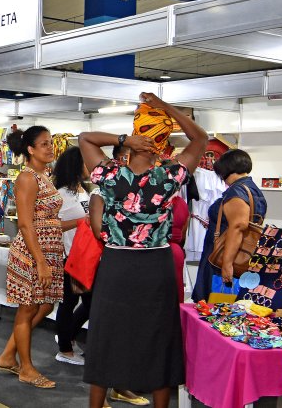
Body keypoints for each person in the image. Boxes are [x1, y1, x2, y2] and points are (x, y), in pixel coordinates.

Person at [79, 93, 208, 408]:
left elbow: (85, 137)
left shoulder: (110, 177)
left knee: (107, 335)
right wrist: (166, 107)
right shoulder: (169, 177)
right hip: (156, 268)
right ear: (162, 145)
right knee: (158, 337)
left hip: (116, 266)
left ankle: (96, 405)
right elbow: (200, 138)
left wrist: (124, 139)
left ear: (136, 140)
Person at [0, 126, 64, 389]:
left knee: (41, 305)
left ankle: (7, 356)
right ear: (31, 150)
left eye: (51, 143)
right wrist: (42, 262)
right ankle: (25, 368)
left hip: (47, 250)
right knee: (27, 309)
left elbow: (46, 220)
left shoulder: (44, 176)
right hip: (33, 254)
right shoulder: (27, 178)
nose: (50, 148)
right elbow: (25, 224)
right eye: (44, 144)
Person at [192, 149, 267, 300]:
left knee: (216, 305)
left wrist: (227, 264)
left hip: (223, 258)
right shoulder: (253, 190)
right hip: (243, 257)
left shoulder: (236, 191)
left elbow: (238, 227)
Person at [53, 146, 91, 366]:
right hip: (69, 256)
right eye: (86, 163)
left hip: (86, 255)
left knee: (86, 302)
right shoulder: (61, 194)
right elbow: (52, 225)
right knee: (69, 302)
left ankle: (67, 338)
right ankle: (64, 349)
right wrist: (81, 221)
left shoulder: (83, 190)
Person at [170, 194, 189, 303]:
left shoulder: (153, 200)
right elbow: (183, 233)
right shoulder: (181, 202)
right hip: (176, 250)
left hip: (158, 251)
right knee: (175, 292)